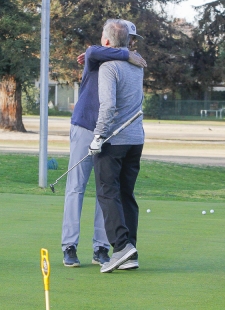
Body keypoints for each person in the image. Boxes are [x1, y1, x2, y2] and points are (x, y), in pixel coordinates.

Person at [61, 21, 146, 267]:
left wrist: (127, 55)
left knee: (106, 190)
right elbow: (92, 51)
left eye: (133, 39)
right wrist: (125, 54)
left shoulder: (133, 62)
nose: (133, 43)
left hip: (109, 133)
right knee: (76, 187)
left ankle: (101, 247)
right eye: (130, 38)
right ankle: (69, 245)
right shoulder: (97, 56)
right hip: (85, 126)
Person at [89, 19, 145, 273]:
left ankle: (121, 247)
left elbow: (108, 105)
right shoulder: (137, 64)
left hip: (113, 140)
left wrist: (98, 135)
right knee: (125, 194)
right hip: (135, 140)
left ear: (106, 41)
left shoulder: (108, 67)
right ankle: (130, 250)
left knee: (107, 192)